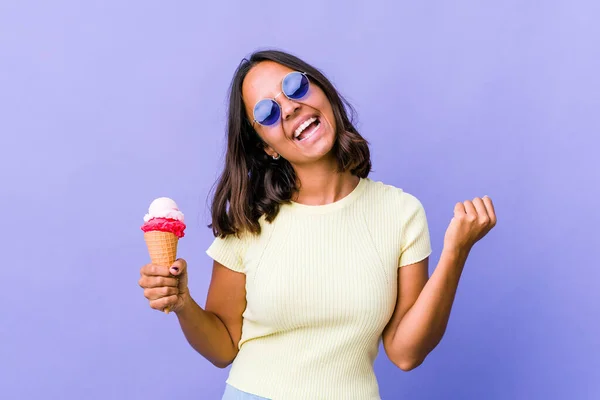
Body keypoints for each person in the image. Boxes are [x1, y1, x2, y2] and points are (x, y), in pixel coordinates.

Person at [138, 49, 497, 400]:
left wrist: (455, 253)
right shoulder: (249, 221)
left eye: (295, 86)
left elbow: (406, 353)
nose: (290, 107)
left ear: (322, 90)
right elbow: (223, 348)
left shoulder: (401, 213)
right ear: (267, 147)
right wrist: (184, 303)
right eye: (266, 111)